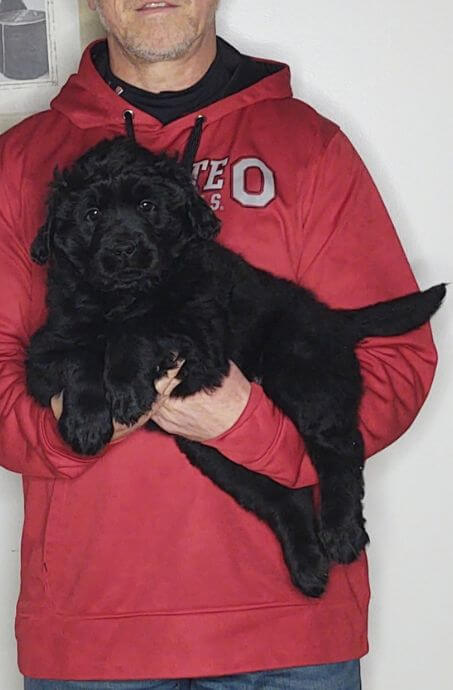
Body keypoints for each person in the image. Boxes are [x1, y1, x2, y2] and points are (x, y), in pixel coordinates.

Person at [0, 1, 438, 688]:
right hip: (93, 638)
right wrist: (74, 428)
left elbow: (394, 361)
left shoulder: (308, 145)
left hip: (287, 634)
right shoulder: (23, 161)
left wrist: (250, 429)